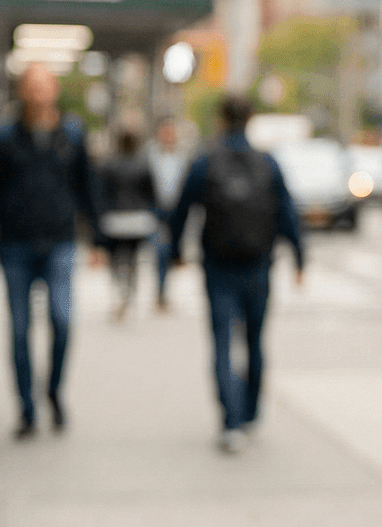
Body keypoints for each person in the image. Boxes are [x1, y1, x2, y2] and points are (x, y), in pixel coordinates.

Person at [168, 95, 303, 454]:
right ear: (251, 119)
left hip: (218, 266)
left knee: (222, 343)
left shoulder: (204, 161)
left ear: (221, 118)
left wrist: (174, 254)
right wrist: (300, 258)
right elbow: (287, 213)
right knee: (256, 341)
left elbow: (181, 211)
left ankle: (230, 421)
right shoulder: (268, 163)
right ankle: (251, 413)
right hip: (259, 265)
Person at [0, 63, 99, 438]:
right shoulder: (5, 137)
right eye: (32, 85)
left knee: (62, 322)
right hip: (15, 245)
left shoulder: (73, 135)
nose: (39, 92)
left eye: (45, 84)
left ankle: (54, 391)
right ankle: (27, 408)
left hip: (60, 243)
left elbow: (88, 188)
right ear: (22, 90)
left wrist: (98, 239)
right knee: (19, 330)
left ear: (55, 89)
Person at [95, 131, 157, 320]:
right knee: (133, 259)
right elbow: (152, 193)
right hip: (137, 219)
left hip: (114, 219)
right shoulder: (143, 164)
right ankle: (129, 292)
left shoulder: (108, 165)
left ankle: (120, 290)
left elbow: (101, 193)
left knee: (115, 259)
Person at [147, 116, 188, 311]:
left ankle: (164, 291)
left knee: (171, 252)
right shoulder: (150, 156)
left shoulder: (183, 157)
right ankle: (160, 292)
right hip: (156, 210)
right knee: (159, 251)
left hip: (176, 211)